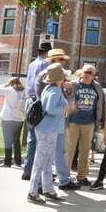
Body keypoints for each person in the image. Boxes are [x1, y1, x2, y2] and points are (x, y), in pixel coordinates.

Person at [34, 48, 79, 191]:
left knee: (53, 153)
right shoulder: (48, 79)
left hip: (53, 123)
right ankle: (45, 184)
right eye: (61, 60)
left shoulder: (54, 79)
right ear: (54, 61)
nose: (64, 62)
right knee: (47, 156)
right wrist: (64, 106)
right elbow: (47, 104)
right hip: (49, 123)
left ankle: (52, 183)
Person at [28, 63, 69, 204]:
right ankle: (33, 192)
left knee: (46, 161)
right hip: (49, 129)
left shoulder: (49, 88)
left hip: (45, 128)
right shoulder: (56, 90)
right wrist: (64, 108)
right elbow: (50, 108)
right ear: (60, 77)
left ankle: (48, 189)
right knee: (41, 161)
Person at [65, 65, 106, 186]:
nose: (87, 74)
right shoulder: (73, 84)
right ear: (82, 73)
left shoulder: (97, 87)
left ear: (93, 75)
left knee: (85, 150)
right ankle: (65, 176)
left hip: (89, 123)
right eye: (85, 72)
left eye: (90, 72)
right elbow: (64, 96)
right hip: (73, 121)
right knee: (69, 150)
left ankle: (82, 176)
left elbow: (101, 105)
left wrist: (100, 121)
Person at [21, 42, 52, 180]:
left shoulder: (32, 64)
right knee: (41, 138)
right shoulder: (45, 64)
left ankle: (27, 170)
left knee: (31, 138)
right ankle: (38, 173)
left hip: (29, 100)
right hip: (39, 101)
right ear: (47, 52)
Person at [0, 78, 25, 167]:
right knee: (16, 140)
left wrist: (6, 84)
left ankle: (7, 162)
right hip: (19, 119)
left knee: (8, 141)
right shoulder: (23, 91)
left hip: (8, 118)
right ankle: (18, 162)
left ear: (11, 83)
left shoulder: (10, 90)